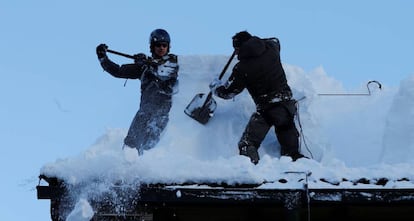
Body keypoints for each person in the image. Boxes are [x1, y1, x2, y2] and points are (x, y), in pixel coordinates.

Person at [210, 31, 305, 164]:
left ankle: (252, 170)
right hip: (287, 105)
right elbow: (275, 40)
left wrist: (216, 88)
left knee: (248, 143)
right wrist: (257, 41)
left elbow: (229, 92)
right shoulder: (271, 48)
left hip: (267, 110)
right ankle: (300, 167)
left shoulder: (242, 68)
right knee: (292, 151)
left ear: (239, 48)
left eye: (236, 49)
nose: (236, 54)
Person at [96, 28, 179, 155]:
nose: (161, 48)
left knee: (153, 149)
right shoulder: (143, 67)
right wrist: (103, 58)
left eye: (164, 45)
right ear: (152, 47)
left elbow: (171, 83)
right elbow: (118, 71)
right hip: (144, 114)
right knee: (130, 147)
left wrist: (152, 68)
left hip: (164, 116)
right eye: (158, 45)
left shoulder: (176, 66)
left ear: (168, 47)